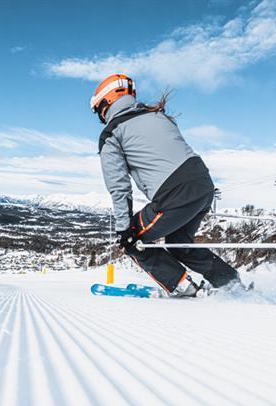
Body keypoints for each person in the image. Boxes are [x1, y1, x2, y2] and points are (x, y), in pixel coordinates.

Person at [92, 73, 241, 297]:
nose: (101, 116)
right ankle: (231, 284)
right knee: (179, 243)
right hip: (203, 185)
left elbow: (119, 186)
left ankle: (185, 288)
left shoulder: (112, 132)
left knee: (133, 241)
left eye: (99, 110)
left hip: (175, 195)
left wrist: (125, 230)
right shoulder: (157, 116)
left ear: (107, 102)